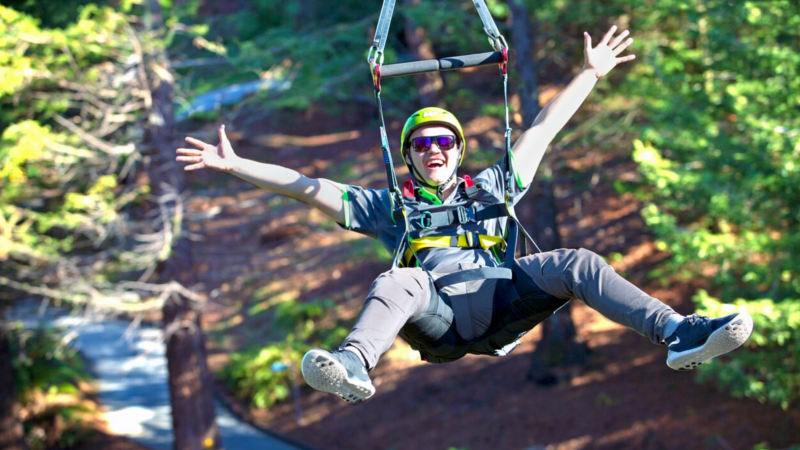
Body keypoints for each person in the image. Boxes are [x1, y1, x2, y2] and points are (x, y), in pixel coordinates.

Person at [176, 26, 753, 404]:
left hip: (502, 304)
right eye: (422, 143)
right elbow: (309, 187)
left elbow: (544, 128)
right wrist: (237, 167)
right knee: (400, 277)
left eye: (444, 142)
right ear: (408, 156)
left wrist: (592, 73)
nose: (434, 150)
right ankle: (354, 364)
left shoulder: (493, 188)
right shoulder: (389, 208)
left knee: (575, 261)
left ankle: (678, 333)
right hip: (441, 320)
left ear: (458, 150)